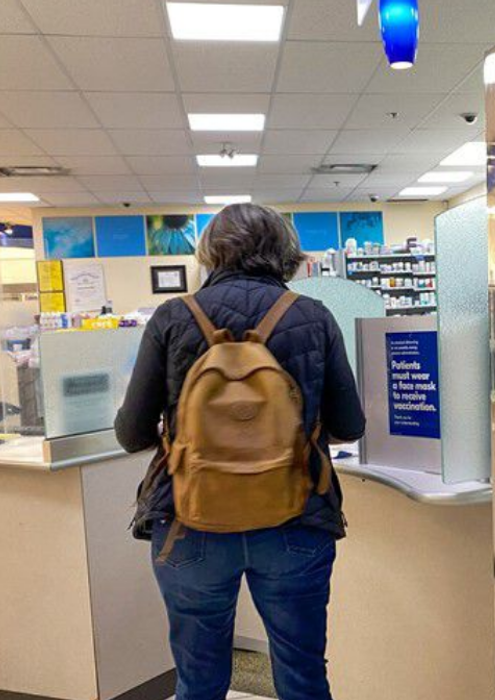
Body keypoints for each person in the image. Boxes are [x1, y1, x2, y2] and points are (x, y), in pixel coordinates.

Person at [114, 203, 365, 700]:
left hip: (189, 519)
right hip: (296, 519)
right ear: (286, 253)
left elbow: (131, 433)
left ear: (210, 252)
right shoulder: (312, 316)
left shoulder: (171, 317)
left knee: (199, 680)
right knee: (302, 675)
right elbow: (349, 425)